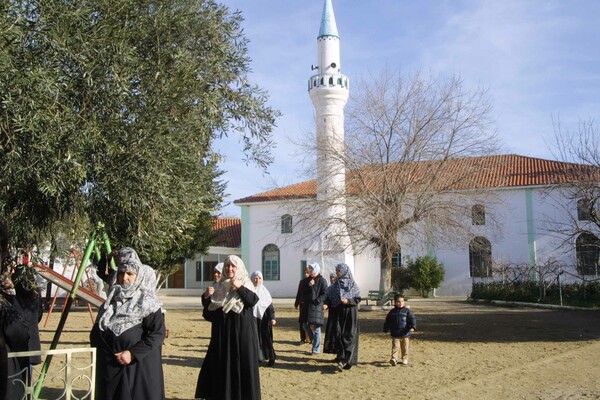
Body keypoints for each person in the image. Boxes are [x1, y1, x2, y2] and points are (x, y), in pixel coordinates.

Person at [90, 247, 166, 400]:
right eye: (121, 273)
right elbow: (102, 271)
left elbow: (157, 334)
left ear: (138, 277)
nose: (124, 278)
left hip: (135, 372)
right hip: (109, 371)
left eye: (130, 274)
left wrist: (132, 353)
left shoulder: (147, 304)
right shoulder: (112, 300)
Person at [194, 255, 261, 400]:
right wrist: (205, 296)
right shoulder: (219, 286)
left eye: (233, 266)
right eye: (227, 266)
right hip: (222, 335)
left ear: (239, 268)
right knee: (222, 367)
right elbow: (209, 312)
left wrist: (239, 287)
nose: (229, 269)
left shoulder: (246, 283)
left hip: (242, 333)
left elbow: (252, 301)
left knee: (242, 365)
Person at [324, 263, 361, 372]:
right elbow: (328, 297)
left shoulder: (353, 285)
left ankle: (348, 360)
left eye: (339, 271)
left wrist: (348, 301)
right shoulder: (334, 286)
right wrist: (326, 304)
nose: (337, 273)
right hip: (337, 313)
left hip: (350, 313)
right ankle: (340, 359)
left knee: (349, 336)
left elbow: (357, 299)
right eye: (336, 271)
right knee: (338, 335)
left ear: (344, 271)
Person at [251, 271, 276, 366]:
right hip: (253, 319)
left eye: (259, 278)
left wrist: (272, 318)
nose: (257, 280)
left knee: (266, 339)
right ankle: (258, 358)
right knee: (255, 339)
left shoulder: (265, 292)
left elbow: (270, 306)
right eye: (255, 278)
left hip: (264, 320)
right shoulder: (249, 290)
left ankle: (271, 357)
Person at [383, 294, 416, 366]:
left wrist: (413, 327)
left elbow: (412, 319)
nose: (400, 303)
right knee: (395, 347)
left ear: (404, 302)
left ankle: (405, 358)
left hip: (405, 333)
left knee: (405, 347)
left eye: (402, 301)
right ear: (394, 302)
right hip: (395, 333)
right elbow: (388, 321)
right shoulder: (392, 312)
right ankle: (394, 359)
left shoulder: (407, 311)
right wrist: (386, 328)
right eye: (398, 301)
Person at [304, 262, 327, 355]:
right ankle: (315, 342)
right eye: (310, 269)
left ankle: (316, 349)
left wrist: (318, 301)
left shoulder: (322, 280)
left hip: (317, 307)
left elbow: (325, 293)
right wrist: (309, 286)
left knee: (316, 328)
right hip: (308, 307)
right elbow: (305, 292)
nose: (310, 271)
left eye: (312, 269)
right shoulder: (309, 280)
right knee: (305, 326)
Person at [294, 267, 311, 344]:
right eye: (305, 272)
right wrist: (296, 303)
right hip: (303, 304)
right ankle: (302, 338)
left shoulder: (313, 282)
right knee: (302, 322)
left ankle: (310, 338)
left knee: (310, 322)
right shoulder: (302, 282)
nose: (306, 274)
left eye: (307, 272)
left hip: (310, 305)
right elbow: (299, 293)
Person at [323, 272, 337, 355]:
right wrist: (326, 304)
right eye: (331, 277)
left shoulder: (340, 288)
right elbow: (327, 298)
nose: (332, 279)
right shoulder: (329, 288)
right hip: (332, 312)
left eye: (333, 277)